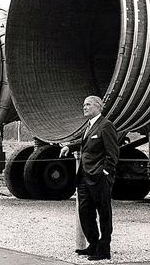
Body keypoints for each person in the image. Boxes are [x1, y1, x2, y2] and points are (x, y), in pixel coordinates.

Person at [60, 95, 119, 261]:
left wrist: (106, 173)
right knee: (85, 212)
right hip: (84, 177)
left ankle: (104, 249)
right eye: (84, 104)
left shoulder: (106, 126)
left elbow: (113, 154)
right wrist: (69, 146)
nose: (84, 107)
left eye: (88, 104)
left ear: (98, 107)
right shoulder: (89, 126)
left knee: (104, 213)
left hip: (99, 178)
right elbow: (85, 142)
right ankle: (93, 244)